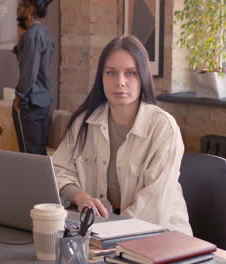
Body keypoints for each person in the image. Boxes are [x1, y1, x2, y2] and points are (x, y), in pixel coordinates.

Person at [53, 35, 192, 235]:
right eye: (111, 73)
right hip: (99, 231)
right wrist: (79, 196)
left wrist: (106, 235)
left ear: (143, 76)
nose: (120, 82)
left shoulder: (164, 128)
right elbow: (58, 170)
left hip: (160, 236)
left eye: (131, 73)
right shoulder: (84, 121)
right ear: (101, 77)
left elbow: (152, 209)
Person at [12, 0, 54, 155]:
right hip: (43, 101)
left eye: (21, 6)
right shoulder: (45, 33)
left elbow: (29, 71)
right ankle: (42, 180)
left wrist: (19, 95)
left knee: (29, 155)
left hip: (30, 104)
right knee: (39, 153)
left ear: (30, 9)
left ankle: (32, 180)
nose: (18, 9)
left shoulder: (32, 35)